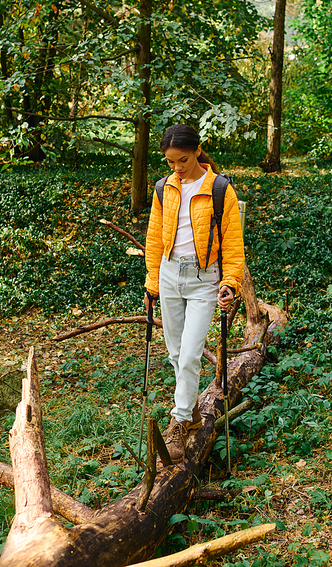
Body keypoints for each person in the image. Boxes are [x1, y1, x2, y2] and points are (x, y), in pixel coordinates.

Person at [144, 123, 244, 465]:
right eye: (170, 162)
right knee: (175, 354)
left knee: (189, 356)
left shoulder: (219, 188)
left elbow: (232, 244)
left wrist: (229, 283)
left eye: (182, 160)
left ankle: (180, 420)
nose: (176, 168)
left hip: (204, 280)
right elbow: (155, 239)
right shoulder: (164, 188)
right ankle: (194, 416)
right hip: (170, 275)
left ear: (198, 150)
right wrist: (152, 283)